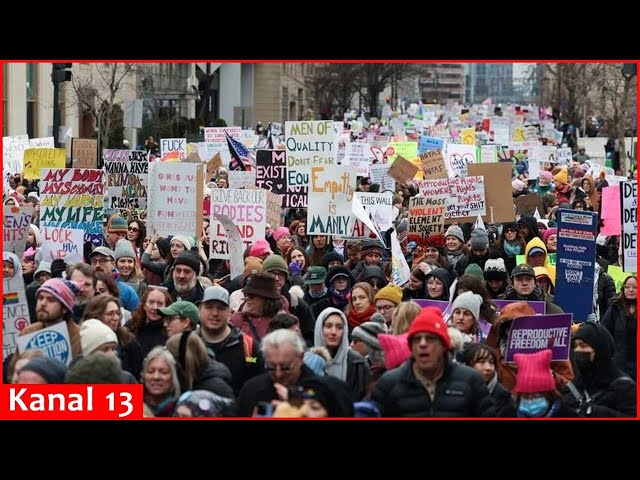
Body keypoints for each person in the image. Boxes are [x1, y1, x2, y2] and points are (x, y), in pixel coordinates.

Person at [371, 307, 495, 417]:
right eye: (417, 339)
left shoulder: (470, 381)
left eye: (430, 338)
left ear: (444, 346)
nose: (423, 344)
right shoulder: (389, 383)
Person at [236, 329, 317, 417]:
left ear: (300, 358)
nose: (278, 374)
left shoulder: (319, 391)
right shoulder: (251, 390)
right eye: (271, 367)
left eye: (286, 368)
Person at [562, 322, 636, 417]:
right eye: (575, 346)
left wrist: (594, 411)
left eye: (583, 345)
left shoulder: (624, 388)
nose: (577, 350)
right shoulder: (573, 387)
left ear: (599, 350)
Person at [314, 307, 371, 400]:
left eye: (339, 327)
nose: (333, 332)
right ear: (320, 329)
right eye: (328, 326)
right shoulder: (307, 361)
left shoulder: (358, 364)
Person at [513, 349, 577, 418]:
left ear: (549, 395)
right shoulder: (511, 414)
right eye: (525, 396)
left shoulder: (568, 415)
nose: (530, 401)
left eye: (536, 396)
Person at [461, 343, 516, 417]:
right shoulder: (453, 391)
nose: (488, 368)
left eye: (491, 362)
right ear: (467, 364)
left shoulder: (504, 397)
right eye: (482, 362)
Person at [600, 275, 637, 380]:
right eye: (628, 287)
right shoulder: (615, 307)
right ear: (623, 289)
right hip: (620, 363)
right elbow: (604, 332)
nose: (631, 290)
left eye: (635, 287)